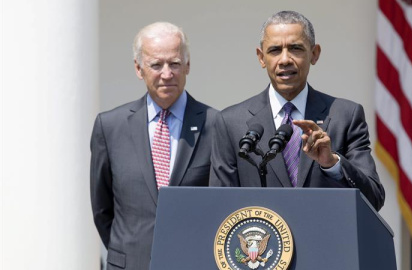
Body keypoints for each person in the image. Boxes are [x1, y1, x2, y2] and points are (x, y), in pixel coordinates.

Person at [209, 11, 384, 211]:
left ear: (314, 53)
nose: (285, 60)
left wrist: (332, 163)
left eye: (295, 49)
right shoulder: (231, 122)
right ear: (261, 57)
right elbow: (220, 206)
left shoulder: (346, 116)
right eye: (275, 50)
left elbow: (374, 199)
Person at [90, 22, 217, 270]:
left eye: (175, 63)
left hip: (193, 263)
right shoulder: (110, 126)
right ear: (139, 68)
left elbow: (220, 203)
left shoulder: (215, 125)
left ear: (188, 65)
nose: (167, 74)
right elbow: (102, 209)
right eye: (156, 65)